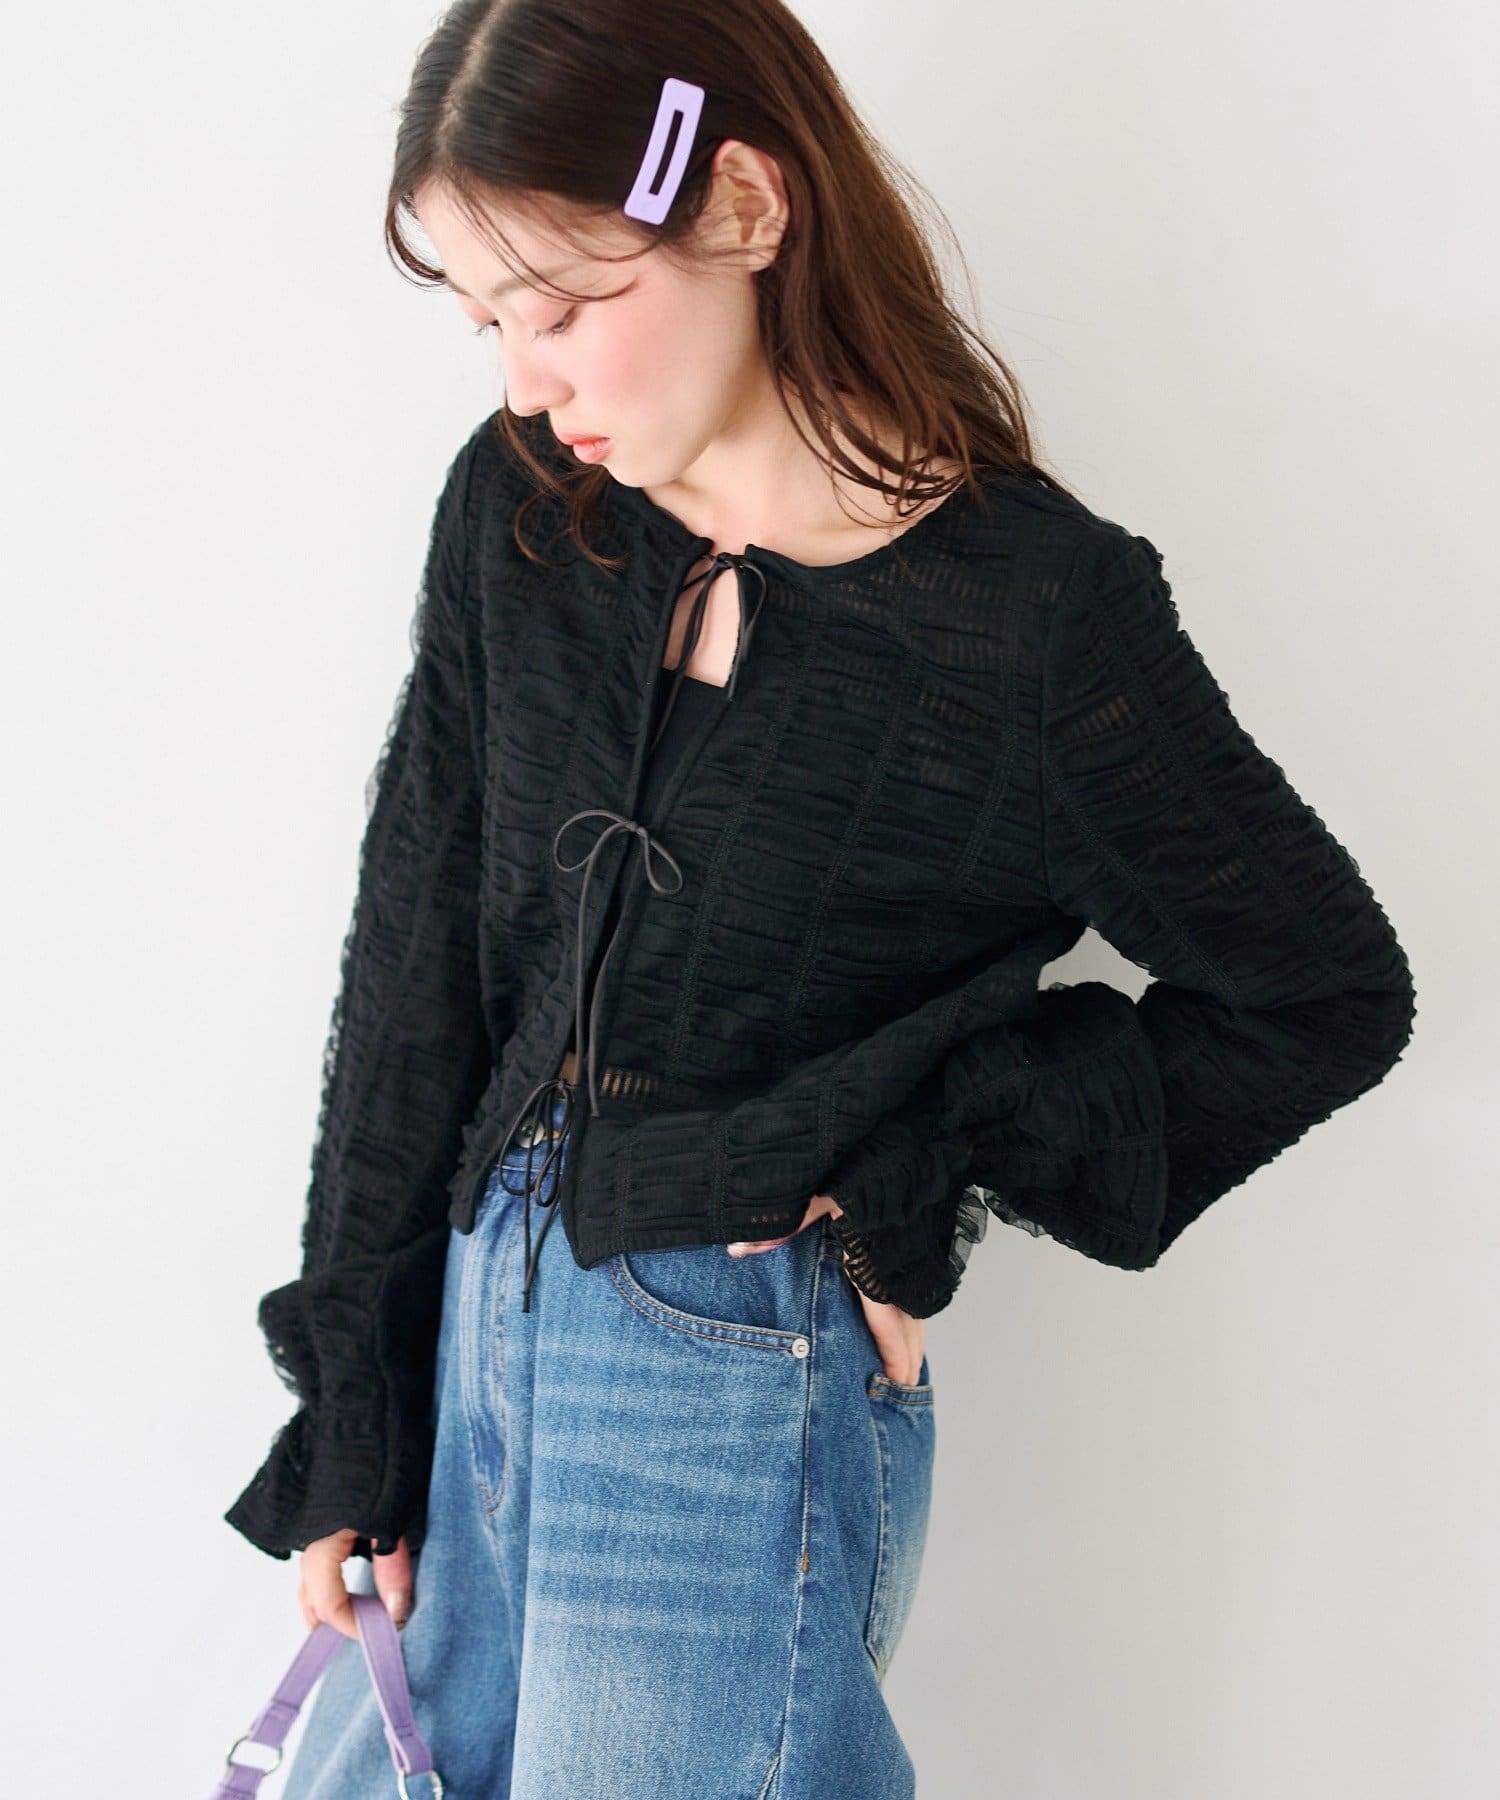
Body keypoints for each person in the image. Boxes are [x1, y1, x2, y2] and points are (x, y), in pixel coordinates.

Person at [221, 3, 1417, 1796]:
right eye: (486, 322)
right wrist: (358, 1412)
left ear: (744, 206)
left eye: (561, 307)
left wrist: (927, 1166)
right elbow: (413, 967)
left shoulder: (1030, 620)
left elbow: (1322, 991)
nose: (526, 384)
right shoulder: (523, 517)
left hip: (724, 1385)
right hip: (476, 1325)